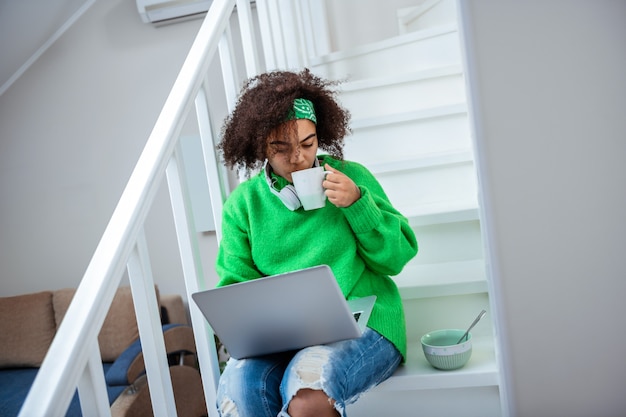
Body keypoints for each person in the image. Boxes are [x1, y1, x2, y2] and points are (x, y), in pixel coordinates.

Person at [214, 69, 418, 417]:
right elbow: (236, 288)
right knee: (239, 392)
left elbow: (395, 259)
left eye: (308, 144)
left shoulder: (351, 178)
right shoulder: (243, 205)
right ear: (259, 145)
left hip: (364, 324)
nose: (298, 158)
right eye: (281, 148)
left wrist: (358, 205)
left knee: (307, 391)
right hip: (283, 338)